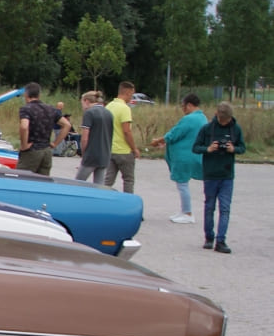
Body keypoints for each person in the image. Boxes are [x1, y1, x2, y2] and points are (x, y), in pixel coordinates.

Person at [192, 101, 245, 253]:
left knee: (225, 208)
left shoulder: (235, 129)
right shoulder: (207, 129)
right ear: (216, 115)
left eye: (226, 121)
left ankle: (221, 240)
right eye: (222, 120)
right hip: (210, 173)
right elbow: (195, 147)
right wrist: (208, 149)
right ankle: (209, 237)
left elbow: (242, 147)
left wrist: (233, 149)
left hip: (227, 174)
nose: (224, 123)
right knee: (209, 207)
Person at [150, 94, 207, 223]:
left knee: (182, 184)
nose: (183, 109)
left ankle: (187, 212)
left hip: (185, 157)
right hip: (193, 155)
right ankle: (184, 211)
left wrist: (158, 140)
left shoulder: (189, 119)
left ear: (189, 105)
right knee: (183, 184)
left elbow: (174, 133)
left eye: (183, 106)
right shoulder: (202, 118)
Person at [16, 82, 70, 175]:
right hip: (46, 151)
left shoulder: (26, 109)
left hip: (32, 150)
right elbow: (67, 125)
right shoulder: (51, 109)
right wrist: (55, 143)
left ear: (26, 94)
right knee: (43, 182)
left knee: (22, 179)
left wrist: (24, 145)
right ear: (39, 95)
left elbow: (24, 126)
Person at [104, 81, 140, 192]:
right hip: (124, 151)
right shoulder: (124, 108)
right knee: (128, 180)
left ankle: (103, 200)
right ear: (128, 92)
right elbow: (126, 131)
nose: (131, 98)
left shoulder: (109, 106)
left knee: (108, 181)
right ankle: (128, 203)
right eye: (132, 94)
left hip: (110, 149)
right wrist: (134, 148)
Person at [74, 91, 112, 183]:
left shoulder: (89, 113)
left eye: (82, 103)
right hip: (104, 155)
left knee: (78, 183)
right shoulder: (108, 113)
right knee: (99, 186)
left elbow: (85, 138)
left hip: (91, 155)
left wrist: (83, 154)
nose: (82, 106)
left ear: (86, 101)